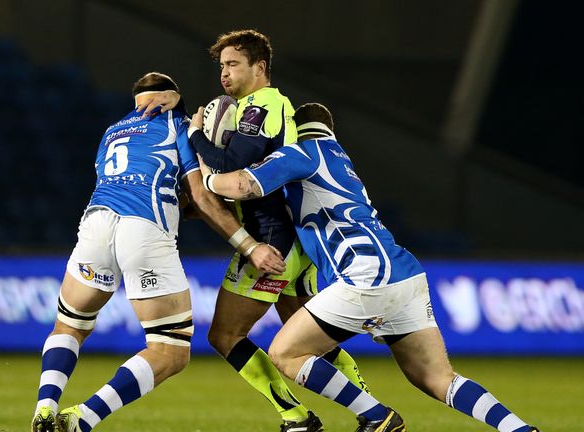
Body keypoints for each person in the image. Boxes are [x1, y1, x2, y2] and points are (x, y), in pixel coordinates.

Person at [200, 102, 540, 432]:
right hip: (404, 273)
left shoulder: (304, 153)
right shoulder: (342, 161)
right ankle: (520, 429)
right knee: (438, 379)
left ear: (298, 131)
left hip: (364, 275)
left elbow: (241, 185)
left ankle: (377, 416)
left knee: (285, 353)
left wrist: (205, 170)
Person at [30, 72, 285, 432]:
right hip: (143, 229)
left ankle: (45, 405)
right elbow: (199, 196)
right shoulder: (178, 124)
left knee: (69, 325)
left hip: (96, 224)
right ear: (173, 97)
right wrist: (249, 245)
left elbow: (156, 180)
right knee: (170, 350)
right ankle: (83, 418)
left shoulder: (112, 131)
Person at [177, 29, 371, 432]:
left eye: (232, 64)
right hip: (292, 241)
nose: (224, 74)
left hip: (271, 242)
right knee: (308, 340)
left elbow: (233, 165)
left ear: (259, 67)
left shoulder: (263, 104)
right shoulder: (249, 106)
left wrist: (194, 134)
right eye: (221, 66)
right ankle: (372, 410)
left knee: (226, 335)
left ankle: (296, 416)